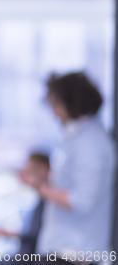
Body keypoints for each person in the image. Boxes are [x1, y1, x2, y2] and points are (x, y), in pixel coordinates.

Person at [31, 72, 115, 265]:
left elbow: (82, 202)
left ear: (72, 103)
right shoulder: (78, 140)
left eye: (56, 105)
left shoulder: (90, 144)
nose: (54, 113)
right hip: (66, 251)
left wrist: (41, 188)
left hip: (75, 255)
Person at [0, 152, 50, 265]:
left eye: (30, 169)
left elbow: (32, 237)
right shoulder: (41, 199)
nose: (25, 174)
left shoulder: (49, 200)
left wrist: (5, 232)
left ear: (43, 170)